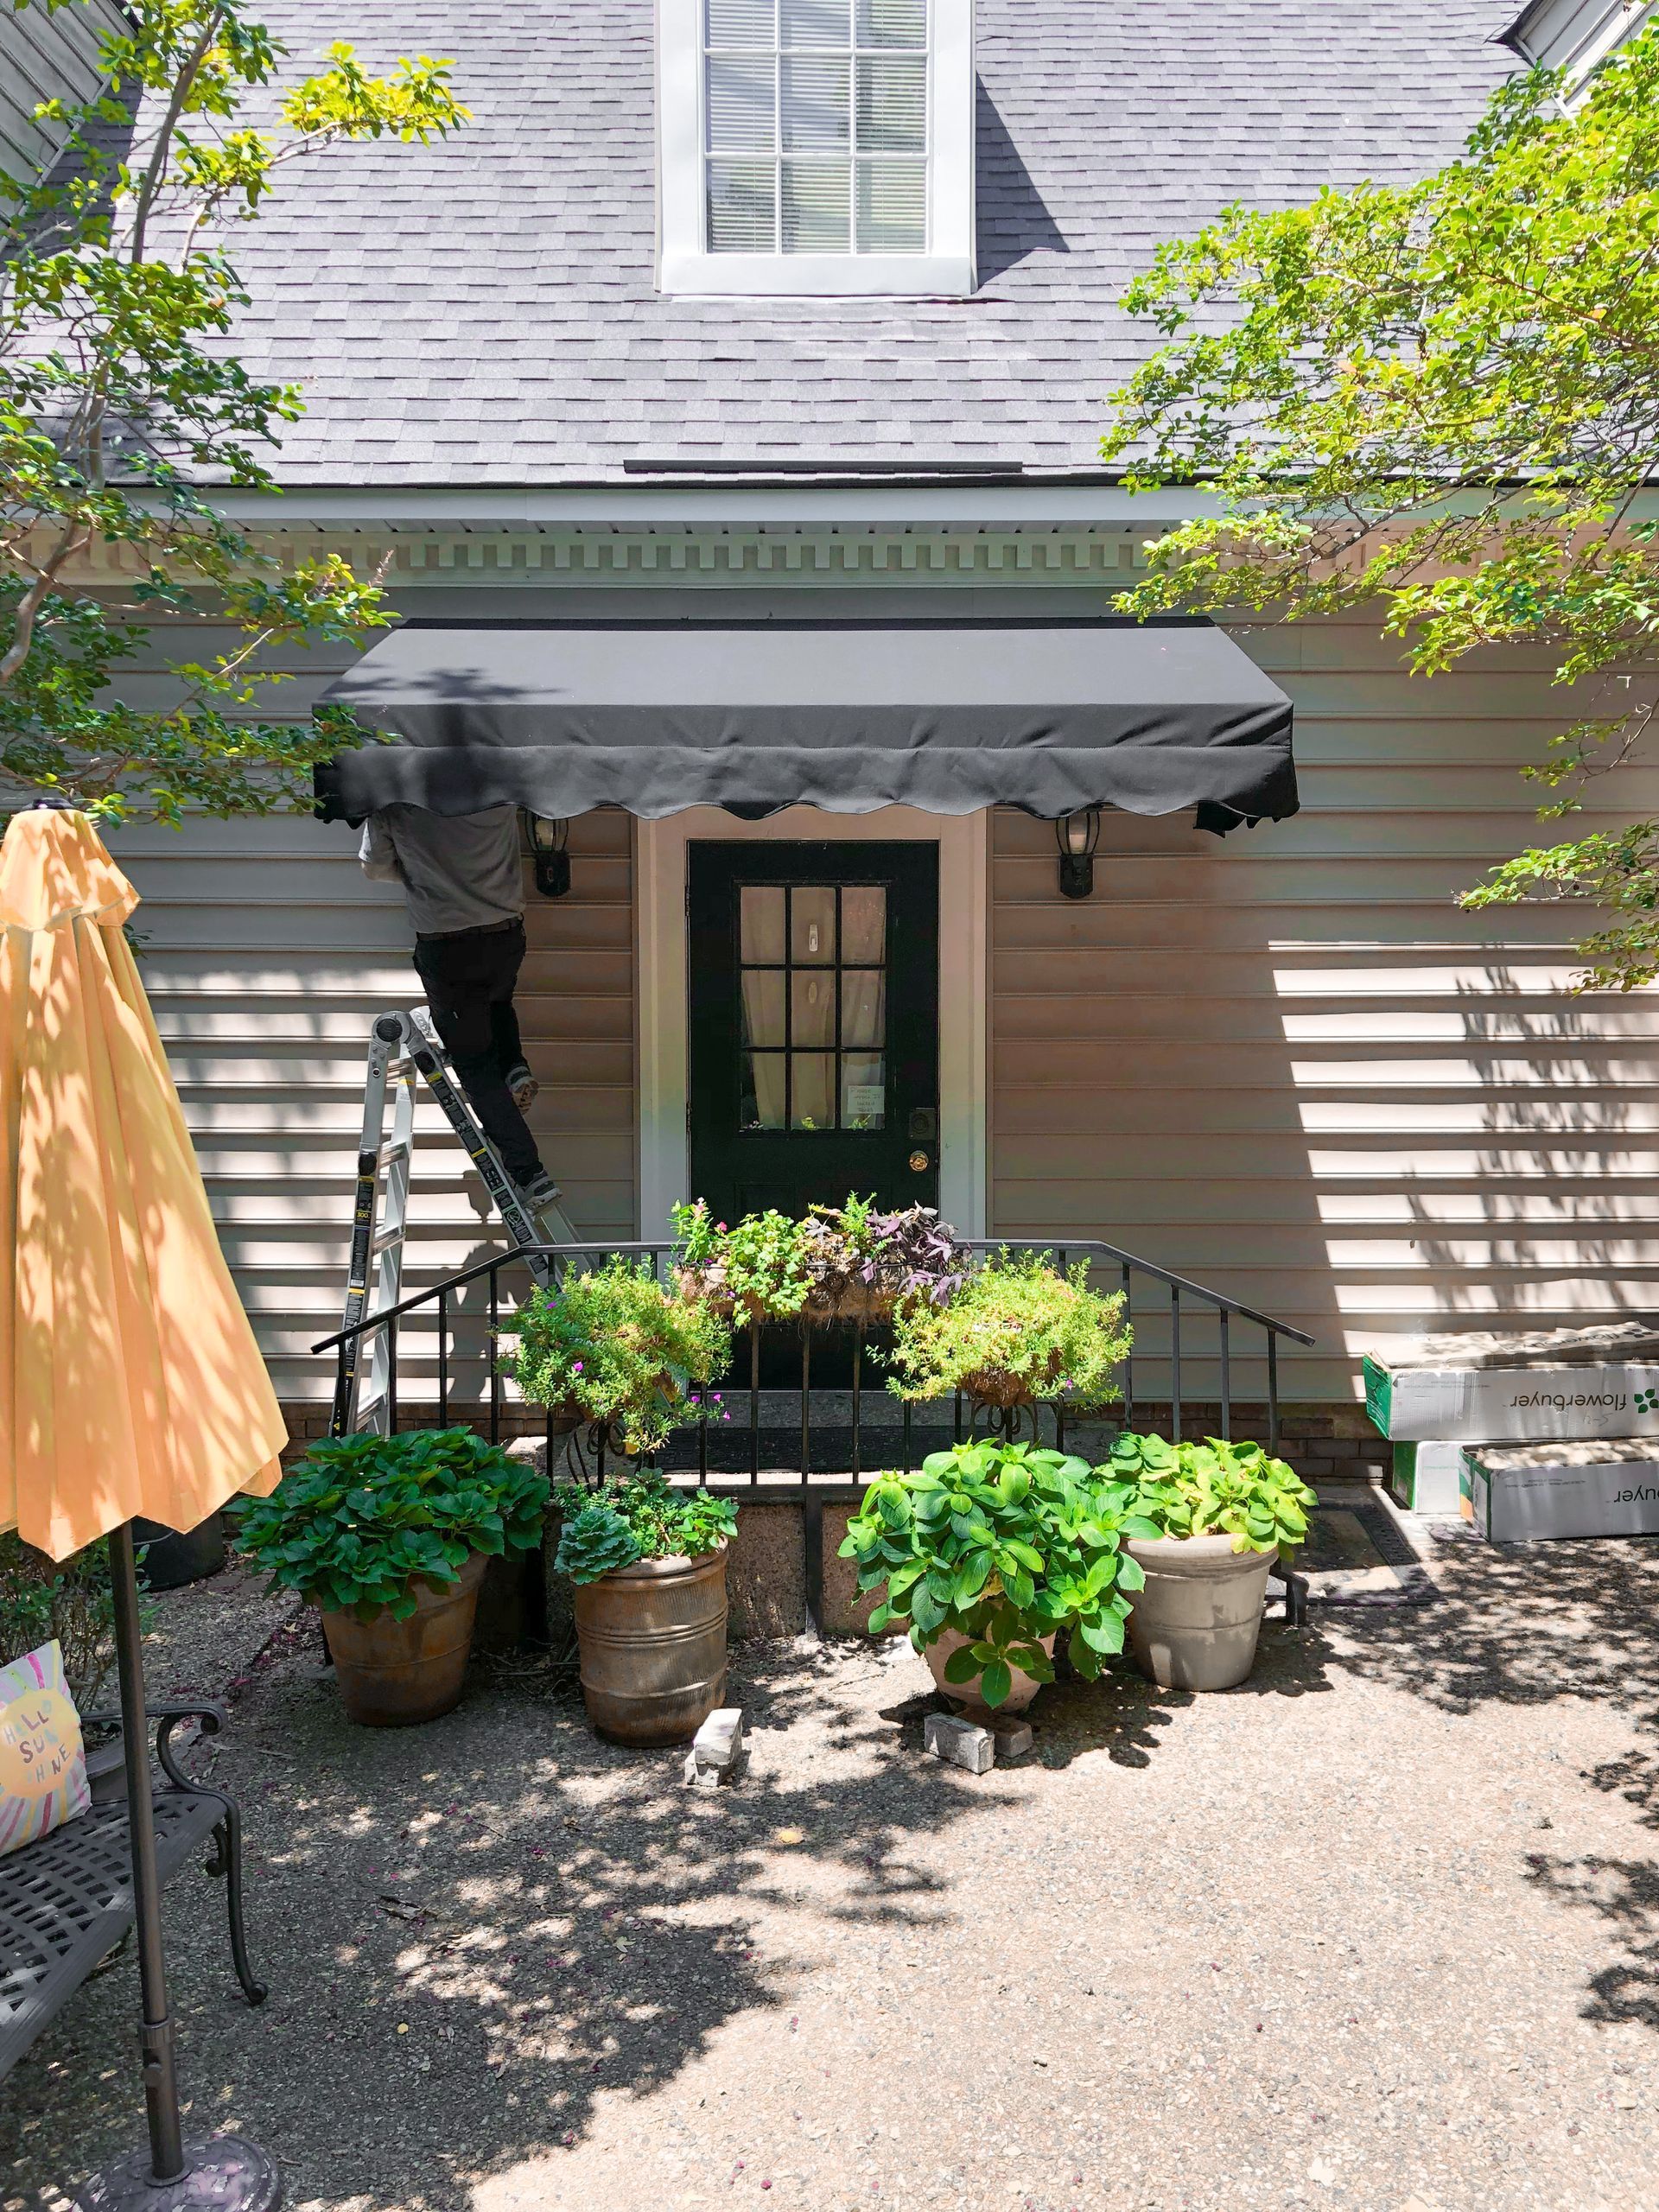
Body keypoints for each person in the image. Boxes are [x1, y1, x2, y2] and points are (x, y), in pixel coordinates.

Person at [359, 802, 560, 1210]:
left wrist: (422, 872)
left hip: (447, 943)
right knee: (498, 999)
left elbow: (375, 868)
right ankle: (515, 1068)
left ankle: (530, 1174)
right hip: (505, 934)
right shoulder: (495, 783)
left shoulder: (393, 800)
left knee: (474, 1065)